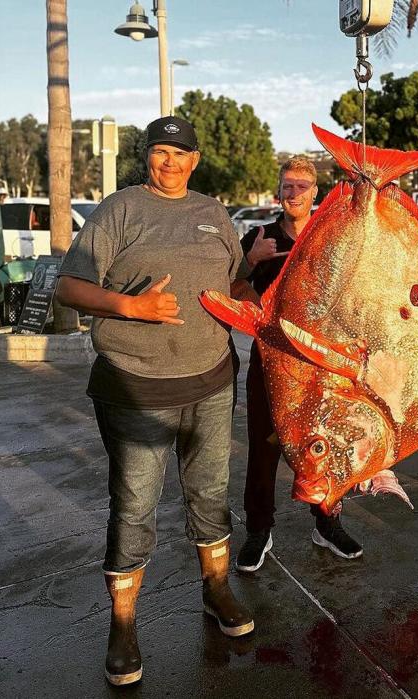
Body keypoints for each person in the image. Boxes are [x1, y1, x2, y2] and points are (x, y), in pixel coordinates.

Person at [55, 115, 258, 687]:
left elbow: (236, 287)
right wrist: (131, 308)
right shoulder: (120, 209)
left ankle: (217, 590)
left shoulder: (216, 214)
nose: (169, 161)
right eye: (159, 151)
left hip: (212, 381)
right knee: (134, 506)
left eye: (180, 153)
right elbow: (69, 288)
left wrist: (264, 276)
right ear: (148, 157)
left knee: (210, 493)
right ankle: (123, 624)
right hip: (135, 387)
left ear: (195, 160)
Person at [234, 156, 364, 572]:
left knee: (324, 442)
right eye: (287, 186)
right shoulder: (259, 235)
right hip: (271, 359)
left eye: (301, 187)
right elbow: (233, 284)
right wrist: (251, 261)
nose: (294, 194)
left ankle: (327, 523)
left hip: (320, 365)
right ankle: (259, 529)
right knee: (265, 444)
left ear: (315, 193)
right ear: (279, 192)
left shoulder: (331, 234)